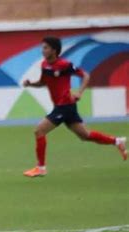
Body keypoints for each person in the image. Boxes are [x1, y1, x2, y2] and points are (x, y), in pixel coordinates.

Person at [23, 36, 127, 177]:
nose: (43, 50)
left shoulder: (64, 64)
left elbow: (85, 75)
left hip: (64, 106)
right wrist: (31, 84)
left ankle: (41, 168)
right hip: (64, 107)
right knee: (85, 135)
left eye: (45, 48)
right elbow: (43, 82)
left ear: (54, 50)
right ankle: (117, 141)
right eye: (42, 47)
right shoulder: (44, 65)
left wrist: (79, 92)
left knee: (39, 131)